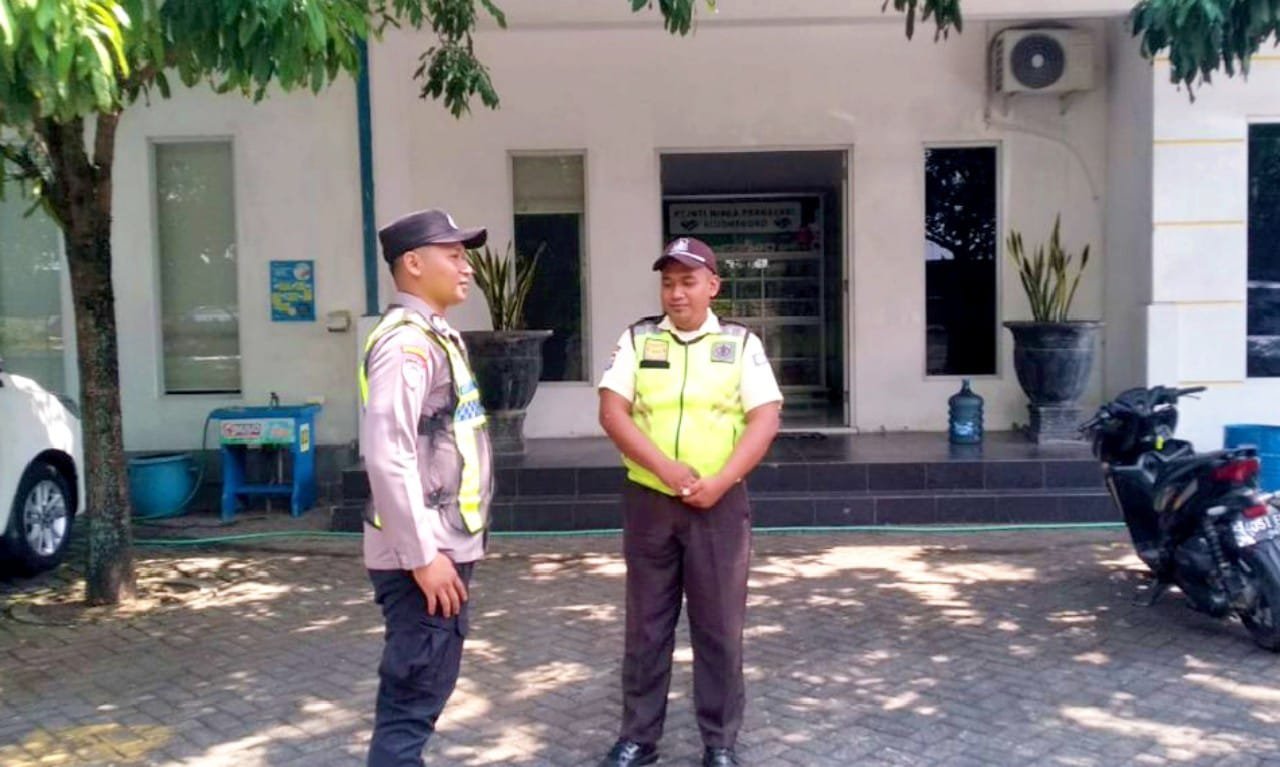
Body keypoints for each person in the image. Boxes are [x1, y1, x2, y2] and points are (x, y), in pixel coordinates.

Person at [596, 237, 783, 767]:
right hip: (651, 502)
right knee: (646, 625)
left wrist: (722, 480)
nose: (676, 293)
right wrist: (666, 468)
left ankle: (719, 742)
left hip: (718, 507)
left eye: (688, 282)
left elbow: (765, 418)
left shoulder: (740, 344)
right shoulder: (638, 340)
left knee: (719, 627)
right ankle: (638, 738)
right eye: (668, 283)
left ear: (712, 286)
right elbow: (612, 412)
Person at [359, 208, 494, 767]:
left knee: (421, 697)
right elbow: (387, 452)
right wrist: (422, 557)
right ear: (413, 264)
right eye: (454, 255)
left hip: (438, 547)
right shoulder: (405, 345)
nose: (467, 268)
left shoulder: (434, 335)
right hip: (422, 557)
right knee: (410, 706)